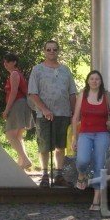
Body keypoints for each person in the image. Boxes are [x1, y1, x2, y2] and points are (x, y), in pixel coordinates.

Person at [28, 40, 77, 187]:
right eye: (48, 49)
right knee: (44, 145)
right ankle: (44, 175)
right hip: (44, 115)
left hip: (63, 113)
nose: (51, 52)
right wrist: (44, 109)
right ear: (44, 51)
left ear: (58, 51)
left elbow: (72, 93)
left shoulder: (65, 70)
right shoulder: (37, 70)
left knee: (60, 145)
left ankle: (59, 174)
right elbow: (33, 93)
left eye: (54, 49)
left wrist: (74, 112)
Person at [71, 70, 110, 211]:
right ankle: (82, 174)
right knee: (82, 160)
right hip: (85, 134)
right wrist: (74, 138)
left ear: (101, 82)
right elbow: (75, 117)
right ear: (88, 81)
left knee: (99, 165)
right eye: (92, 79)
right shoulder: (82, 95)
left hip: (102, 134)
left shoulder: (107, 96)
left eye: (97, 79)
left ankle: (96, 200)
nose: (94, 81)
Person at [2, 53, 34, 170]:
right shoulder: (18, 74)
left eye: (7, 62)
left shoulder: (14, 74)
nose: (5, 64)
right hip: (23, 104)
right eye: (4, 62)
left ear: (14, 62)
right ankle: (21, 162)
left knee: (10, 135)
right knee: (18, 136)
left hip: (18, 105)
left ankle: (25, 159)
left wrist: (6, 109)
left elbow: (13, 93)